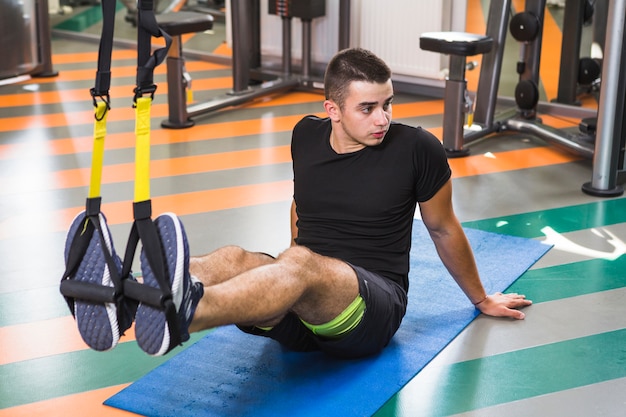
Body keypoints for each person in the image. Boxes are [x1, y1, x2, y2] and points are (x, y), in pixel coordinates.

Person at [64, 48, 531, 358]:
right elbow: (299, 206)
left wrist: (480, 298)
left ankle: (183, 311)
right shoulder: (305, 135)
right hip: (300, 304)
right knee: (236, 257)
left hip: (370, 311)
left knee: (300, 263)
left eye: (388, 104)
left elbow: (443, 227)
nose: (383, 118)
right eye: (368, 108)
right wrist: (282, 273)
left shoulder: (416, 149)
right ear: (333, 110)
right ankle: (128, 299)